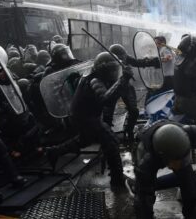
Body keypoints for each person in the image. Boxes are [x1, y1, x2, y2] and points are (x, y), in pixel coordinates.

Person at [47, 52, 133, 186]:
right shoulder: (95, 80)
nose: (114, 72)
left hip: (84, 115)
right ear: (104, 69)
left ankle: (53, 152)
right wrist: (123, 80)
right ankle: (118, 180)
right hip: (86, 117)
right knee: (111, 142)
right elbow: (105, 99)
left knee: (85, 139)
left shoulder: (96, 76)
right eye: (112, 69)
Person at [132, 120, 196, 219]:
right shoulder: (146, 160)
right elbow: (143, 202)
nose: (183, 163)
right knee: (142, 194)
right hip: (150, 152)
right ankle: (137, 184)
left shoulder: (191, 132)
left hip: (170, 141)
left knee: (189, 186)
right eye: (178, 162)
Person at [106, 44, 160, 145]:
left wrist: (152, 62)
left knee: (134, 111)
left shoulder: (126, 57)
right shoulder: (107, 61)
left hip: (126, 86)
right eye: (120, 57)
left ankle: (129, 131)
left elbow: (138, 62)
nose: (122, 59)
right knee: (108, 113)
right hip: (113, 87)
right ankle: (107, 136)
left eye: (123, 56)